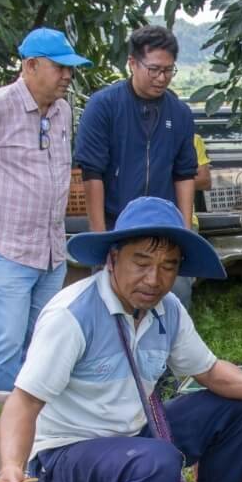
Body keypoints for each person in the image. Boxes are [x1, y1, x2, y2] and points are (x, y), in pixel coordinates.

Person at [0, 196, 242, 482]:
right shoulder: (72, 315)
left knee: (233, 410)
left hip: (133, 436)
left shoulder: (166, 311)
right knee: (156, 462)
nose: (154, 279)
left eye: (168, 266)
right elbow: (24, 402)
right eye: (141, 262)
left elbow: (210, 371)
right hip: (65, 455)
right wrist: (12, 466)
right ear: (113, 259)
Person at [0, 27, 91, 393]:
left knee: (42, 345)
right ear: (31, 65)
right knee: (5, 344)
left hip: (50, 249)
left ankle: (32, 431)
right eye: (60, 68)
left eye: (70, 68)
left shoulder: (60, 110)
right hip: (3, 246)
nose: (68, 76)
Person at [73, 25, 199, 307]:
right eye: (154, 69)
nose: (161, 78)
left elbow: (184, 174)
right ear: (132, 63)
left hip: (163, 226)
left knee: (175, 298)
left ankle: (165, 351)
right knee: (114, 303)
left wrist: (185, 232)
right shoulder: (103, 106)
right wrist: (99, 239)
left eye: (168, 70)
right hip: (116, 225)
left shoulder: (179, 114)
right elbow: (92, 174)